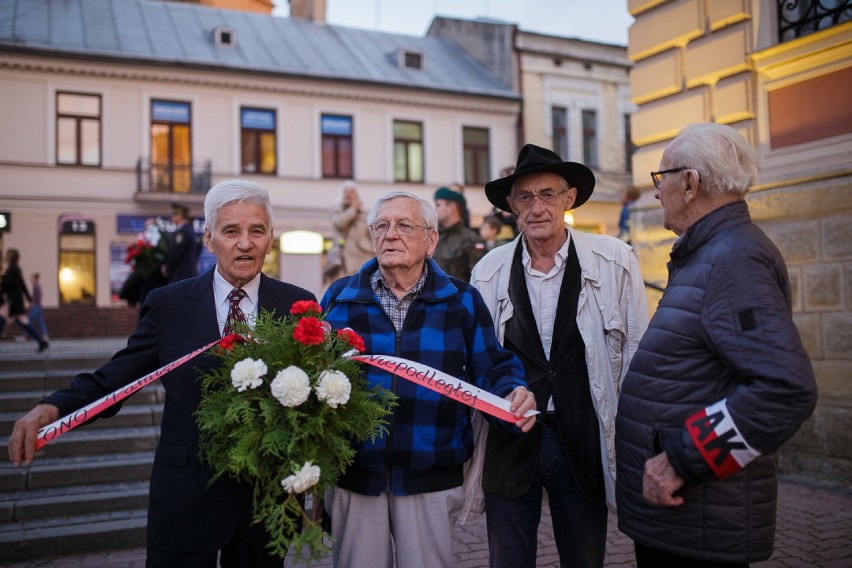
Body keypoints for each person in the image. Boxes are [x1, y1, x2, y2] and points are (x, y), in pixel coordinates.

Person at [8, 180, 316, 567]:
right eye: (231, 231)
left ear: (271, 238)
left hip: (264, 500)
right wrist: (52, 409)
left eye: (256, 230)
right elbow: (116, 377)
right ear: (208, 238)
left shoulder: (297, 306)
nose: (245, 243)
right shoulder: (169, 305)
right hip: (186, 495)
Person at [614, 123, 818, 567]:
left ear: (690, 183)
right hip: (686, 521)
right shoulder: (712, 254)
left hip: (699, 516)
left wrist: (683, 460)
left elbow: (785, 389)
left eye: (661, 178)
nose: (656, 192)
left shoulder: (733, 259)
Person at [320, 190, 537, 568]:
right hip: (354, 471)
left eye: (404, 225)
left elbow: (493, 368)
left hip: (431, 471)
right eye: (381, 226)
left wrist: (513, 395)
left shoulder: (462, 300)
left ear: (431, 239)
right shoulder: (341, 297)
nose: (390, 235)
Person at [470, 143, 650, 567]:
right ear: (512, 206)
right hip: (510, 442)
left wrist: (632, 441)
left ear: (569, 198)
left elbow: (636, 353)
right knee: (508, 559)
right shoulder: (488, 271)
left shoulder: (615, 261)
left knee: (584, 558)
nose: (537, 207)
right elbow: (477, 358)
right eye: (526, 197)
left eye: (547, 194)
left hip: (583, 438)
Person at [432, 186, 485, 282]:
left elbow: (478, 278)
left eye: (438, 205)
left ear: (452, 207)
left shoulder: (470, 239)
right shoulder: (434, 237)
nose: (434, 209)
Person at [0, 249, 49, 352]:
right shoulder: (15, 269)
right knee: (24, 323)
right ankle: (41, 341)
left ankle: (41, 341)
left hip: (12, 303)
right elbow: (22, 285)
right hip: (14, 302)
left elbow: (10, 285)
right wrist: (28, 298)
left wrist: (3, 278)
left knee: (5, 320)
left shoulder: (12, 270)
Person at [327, 180, 373, 282]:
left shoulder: (364, 214)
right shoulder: (337, 211)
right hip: (343, 256)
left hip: (363, 254)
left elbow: (371, 235)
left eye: (351, 192)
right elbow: (340, 224)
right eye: (346, 191)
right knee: (344, 283)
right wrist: (353, 209)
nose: (348, 194)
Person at [162, 202, 199, 284]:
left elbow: (176, 253)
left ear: (180, 216)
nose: (172, 217)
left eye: (174, 214)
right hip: (186, 274)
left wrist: (168, 268)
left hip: (182, 274)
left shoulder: (183, 232)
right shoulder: (188, 230)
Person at [27, 272, 49, 342]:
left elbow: (37, 296)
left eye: (32, 278)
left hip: (37, 306)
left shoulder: (36, 286)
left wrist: (33, 304)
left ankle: (25, 335)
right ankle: (45, 336)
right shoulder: (37, 286)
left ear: (35, 279)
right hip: (38, 306)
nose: (31, 279)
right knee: (40, 321)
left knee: (29, 319)